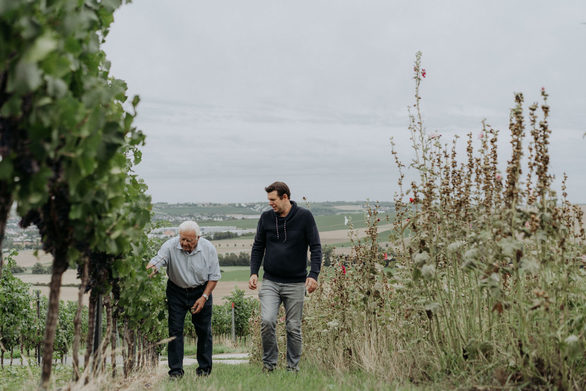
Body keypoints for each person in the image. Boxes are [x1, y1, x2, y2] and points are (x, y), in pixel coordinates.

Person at [248, 181, 322, 372]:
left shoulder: (304, 217)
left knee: (293, 327)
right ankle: (269, 365)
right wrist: (254, 272)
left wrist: (313, 274)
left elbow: (315, 247)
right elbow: (258, 246)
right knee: (267, 321)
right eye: (268, 200)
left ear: (285, 197)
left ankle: (292, 369)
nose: (270, 203)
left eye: (273, 200)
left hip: (296, 282)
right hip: (271, 281)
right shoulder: (266, 218)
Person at [147, 220, 221, 379]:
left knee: (204, 331)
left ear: (198, 238)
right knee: (175, 331)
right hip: (176, 291)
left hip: (201, 291)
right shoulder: (170, 246)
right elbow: (157, 261)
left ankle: (204, 371)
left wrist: (204, 297)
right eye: (182, 239)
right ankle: (175, 372)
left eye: (189, 240)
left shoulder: (208, 249)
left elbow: (214, 277)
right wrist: (149, 271)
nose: (184, 243)